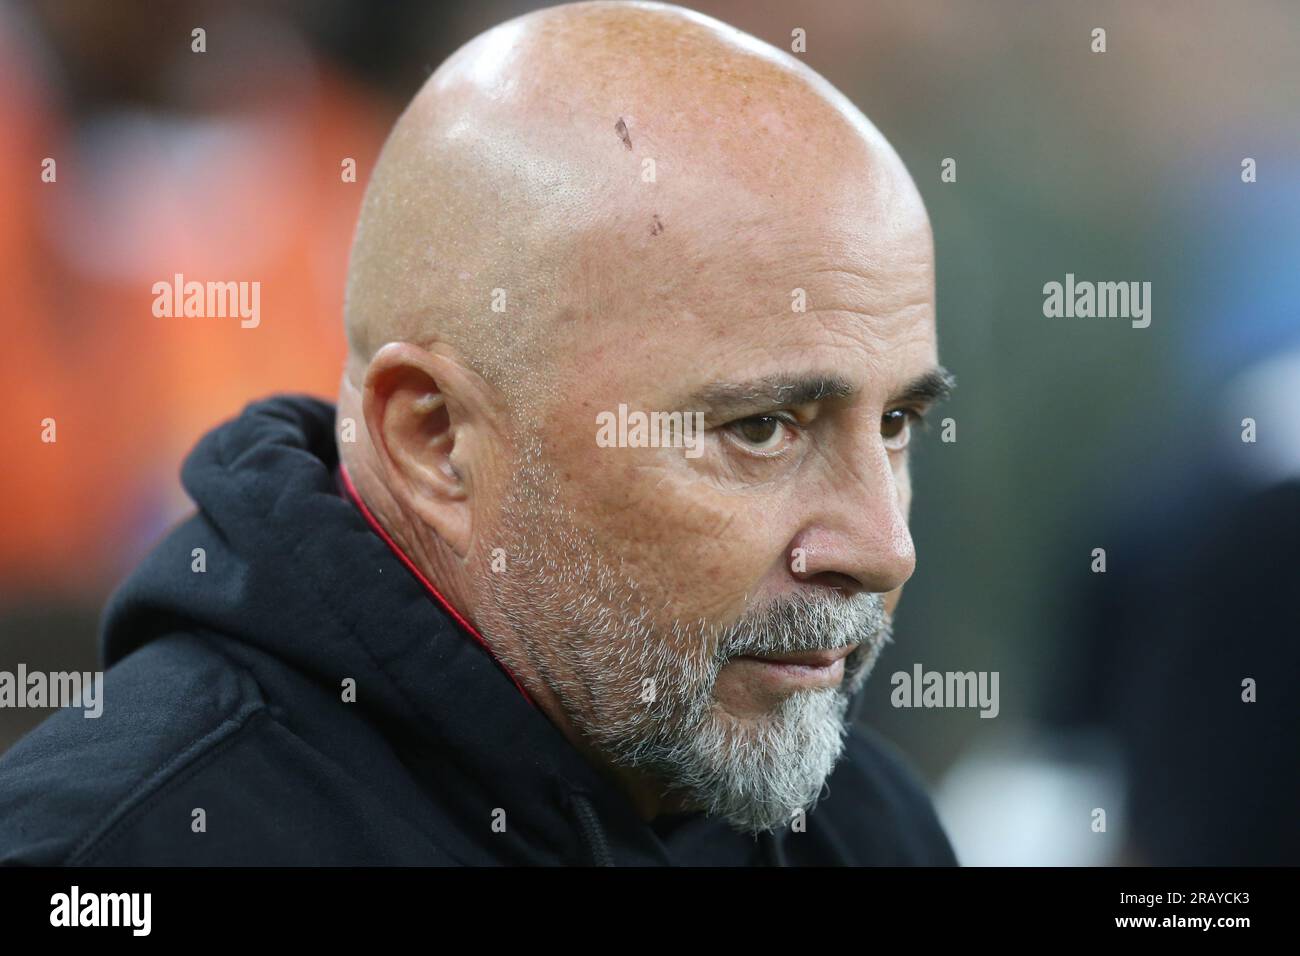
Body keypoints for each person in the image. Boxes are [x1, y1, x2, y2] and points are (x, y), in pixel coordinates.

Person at [0, 1, 956, 866]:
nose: (884, 547)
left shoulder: (866, 828)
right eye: (761, 431)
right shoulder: (120, 851)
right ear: (434, 440)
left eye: (900, 422)